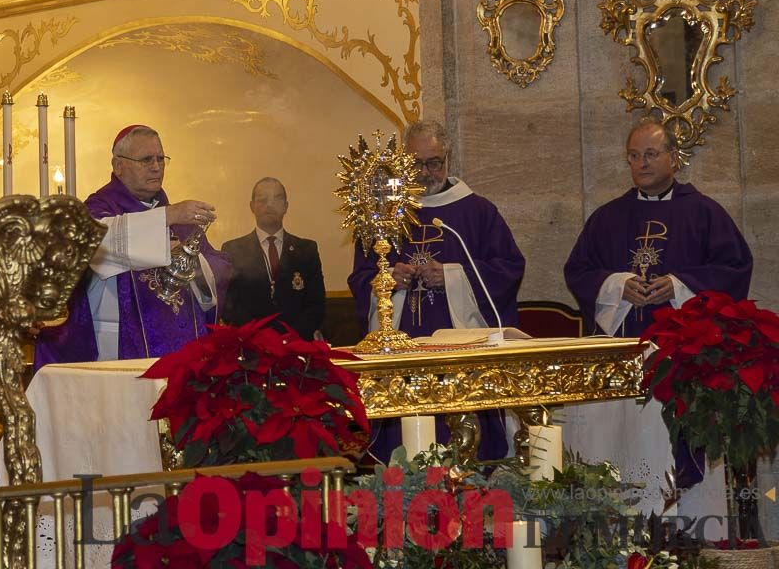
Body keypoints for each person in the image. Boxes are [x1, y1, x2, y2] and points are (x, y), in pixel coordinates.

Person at [563, 116, 752, 526]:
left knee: (678, 453)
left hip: (683, 364)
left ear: (673, 158)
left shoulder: (704, 213)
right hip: (623, 362)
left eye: (651, 154)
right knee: (625, 450)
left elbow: (734, 270)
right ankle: (626, 531)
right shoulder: (607, 218)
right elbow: (578, 270)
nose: (642, 163)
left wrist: (680, 287)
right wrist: (617, 286)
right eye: (634, 156)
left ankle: (689, 536)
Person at [348, 120, 524, 461]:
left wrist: (454, 276)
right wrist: (386, 281)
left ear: (448, 159)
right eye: (416, 164)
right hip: (403, 352)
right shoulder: (384, 214)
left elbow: (509, 268)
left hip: (460, 351)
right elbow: (361, 276)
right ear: (402, 162)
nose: (427, 172)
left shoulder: (478, 211)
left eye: (435, 162)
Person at [35, 125, 232, 365]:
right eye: (146, 159)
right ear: (118, 166)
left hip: (182, 352)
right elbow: (97, 246)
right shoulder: (99, 208)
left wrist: (190, 258)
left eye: (161, 159)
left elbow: (216, 266)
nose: (156, 167)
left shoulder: (179, 219)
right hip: (121, 350)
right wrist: (167, 218)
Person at [220, 177, 325, 340]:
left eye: (276, 199)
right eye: (262, 200)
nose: (269, 205)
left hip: (297, 347)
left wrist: (290, 338)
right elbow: (229, 305)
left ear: (286, 206)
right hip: (250, 348)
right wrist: (261, 339)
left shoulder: (306, 250)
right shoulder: (232, 250)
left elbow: (316, 305)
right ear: (252, 206)